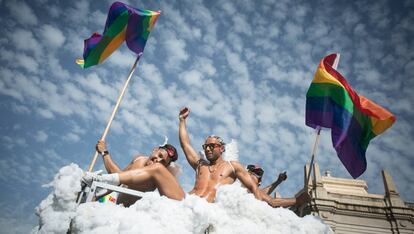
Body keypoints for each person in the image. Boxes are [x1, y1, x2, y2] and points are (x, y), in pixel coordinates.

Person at [178, 107, 309, 207]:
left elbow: (256, 191)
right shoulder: (200, 164)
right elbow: (185, 144)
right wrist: (182, 121)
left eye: (211, 146)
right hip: (187, 205)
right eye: (205, 146)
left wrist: (296, 200)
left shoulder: (232, 166)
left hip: (208, 212)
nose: (207, 149)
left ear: (222, 148)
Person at [82, 141, 185, 206]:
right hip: (113, 204)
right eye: (159, 155)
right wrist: (97, 196)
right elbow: (118, 177)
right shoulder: (139, 159)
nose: (157, 160)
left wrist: (105, 153)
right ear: (155, 150)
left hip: (127, 214)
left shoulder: (156, 175)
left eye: (162, 162)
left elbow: (115, 177)